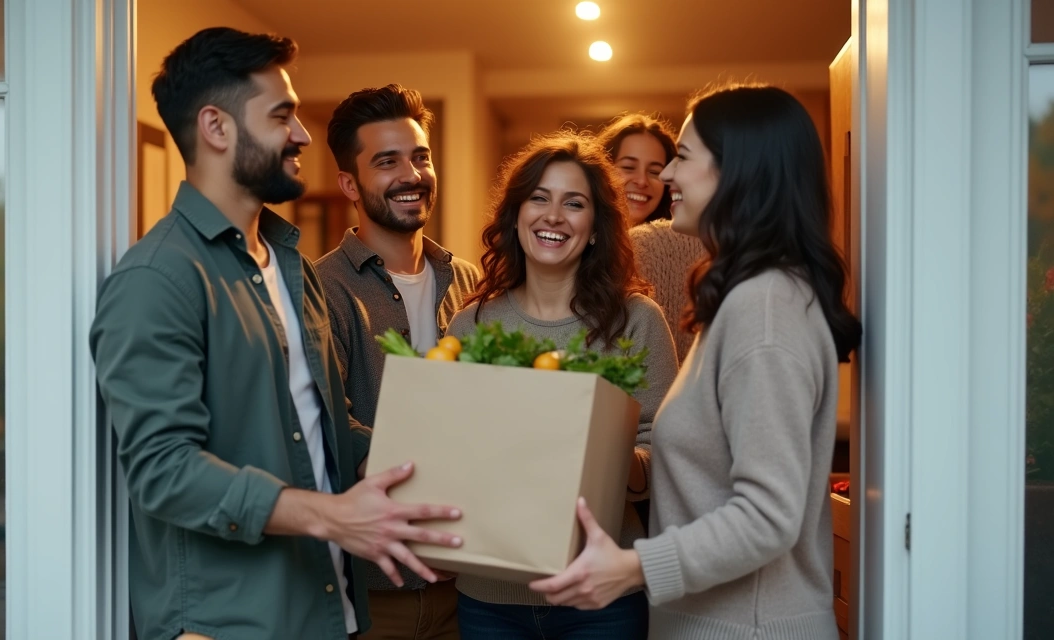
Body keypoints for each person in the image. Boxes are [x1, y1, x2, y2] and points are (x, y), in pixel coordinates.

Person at [89, 28, 463, 640]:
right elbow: (164, 471)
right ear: (216, 128)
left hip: (324, 611)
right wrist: (334, 517)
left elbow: (331, 435)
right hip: (226, 623)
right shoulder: (157, 278)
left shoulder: (289, 266)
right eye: (282, 115)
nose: (303, 135)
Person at [529, 84, 863, 640]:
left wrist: (632, 568)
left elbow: (768, 514)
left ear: (738, 173)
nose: (664, 179)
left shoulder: (766, 308)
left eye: (681, 158)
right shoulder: (746, 298)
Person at [445, 130, 678, 640]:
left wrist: (602, 459)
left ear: (595, 228)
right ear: (516, 216)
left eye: (574, 203)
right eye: (539, 199)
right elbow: (449, 449)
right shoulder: (471, 327)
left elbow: (667, 448)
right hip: (490, 597)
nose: (553, 216)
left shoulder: (636, 320)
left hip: (602, 592)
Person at [315, 83, 481, 640]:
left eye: (420, 156)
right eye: (387, 162)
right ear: (349, 184)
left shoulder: (469, 281)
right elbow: (325, 416)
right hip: (376, 588)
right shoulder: (320, 288)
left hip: (471, 577)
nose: (412, 174)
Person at [598, 113, 707, 362]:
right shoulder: (575, 246)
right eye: (628, 167)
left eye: (655, 171)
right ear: (602, 170)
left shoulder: (679, 247)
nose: (641, 181)